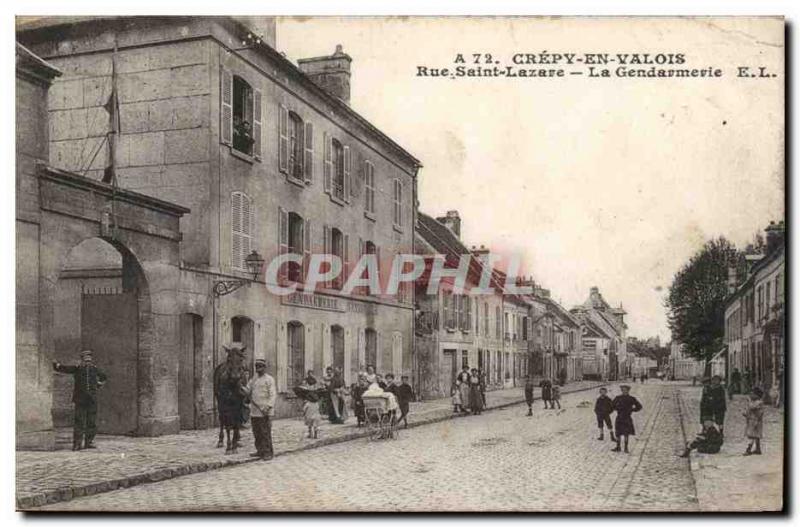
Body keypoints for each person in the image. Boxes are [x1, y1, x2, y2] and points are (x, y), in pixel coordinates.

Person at [53, 350, 107, 450]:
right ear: (82, 360)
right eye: (85, 360)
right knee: (79, 421)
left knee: (91, 422)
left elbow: (103, 377)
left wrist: (97, 385)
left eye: (89, 361)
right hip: (80, 399)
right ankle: (77, 443)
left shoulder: (95, 369)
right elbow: (63, 368)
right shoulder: (77, 369)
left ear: (91, 361)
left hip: (92, 399)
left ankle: (88, 442)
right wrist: (56, 364)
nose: (87, 363)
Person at [242, 359, 276, 460]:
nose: (258, 369)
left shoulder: (269, 379)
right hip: (255, 411)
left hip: (265, 411)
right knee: (256, 432)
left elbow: (273, 394)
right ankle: (260, 450)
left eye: (261, 367)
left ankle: (268, 452)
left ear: (265, 368)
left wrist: (268, 406)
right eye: (257, 367)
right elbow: (247, 390)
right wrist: (241, 386)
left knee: (265, 432)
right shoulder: (254, 379)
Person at [612, 385, 642, 453]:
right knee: (618, 433)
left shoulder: (632, 398)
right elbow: (612, 405)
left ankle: (626, 448)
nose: (624, 391)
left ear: (628, 391)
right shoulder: (618, 398)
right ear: (621, 390)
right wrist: (617, 408)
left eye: (625, 390)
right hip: (619, 417)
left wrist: (632, 410)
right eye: (623, 390)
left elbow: (639, 406)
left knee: (626, 433)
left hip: (627, 417)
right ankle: (618, 447)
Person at [743, 387, 765, 456]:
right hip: (752, 420)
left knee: (752, 435)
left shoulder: (759, 402)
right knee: (756, 435)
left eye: (752, 394)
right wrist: (745, 414)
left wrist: (749, 401)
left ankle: (748, 449)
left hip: (756, 421)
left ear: (757, 395)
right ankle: (758, 449)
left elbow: (752, 407)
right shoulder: (754, 402)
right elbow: (749, 410)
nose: (750, 395)